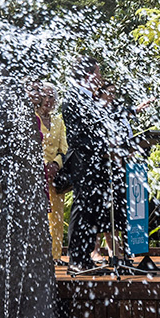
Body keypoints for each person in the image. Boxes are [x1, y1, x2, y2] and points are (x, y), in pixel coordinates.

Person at [60, 58, 116, 273]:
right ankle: (76, 259)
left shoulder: (89, 98)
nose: (100, 78)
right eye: (98, 74)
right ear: (88, 75)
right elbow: (75, 138)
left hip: (96, 161)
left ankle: (85, 259)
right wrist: (102, 143)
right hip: (82, 162)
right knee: (82, 208)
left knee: (92, 209)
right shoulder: (73, 98)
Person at [30, 82, 68, 262]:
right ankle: (39, 255)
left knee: (57, 216)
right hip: (36, 173)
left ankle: (55, 255)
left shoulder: (59, 121)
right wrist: (45, 165)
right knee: (40, 215)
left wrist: (55, 164)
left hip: (55, 174)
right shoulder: (32, 117)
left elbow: (64, 147)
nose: (48, 100)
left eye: (52, 96)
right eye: (45, 96)